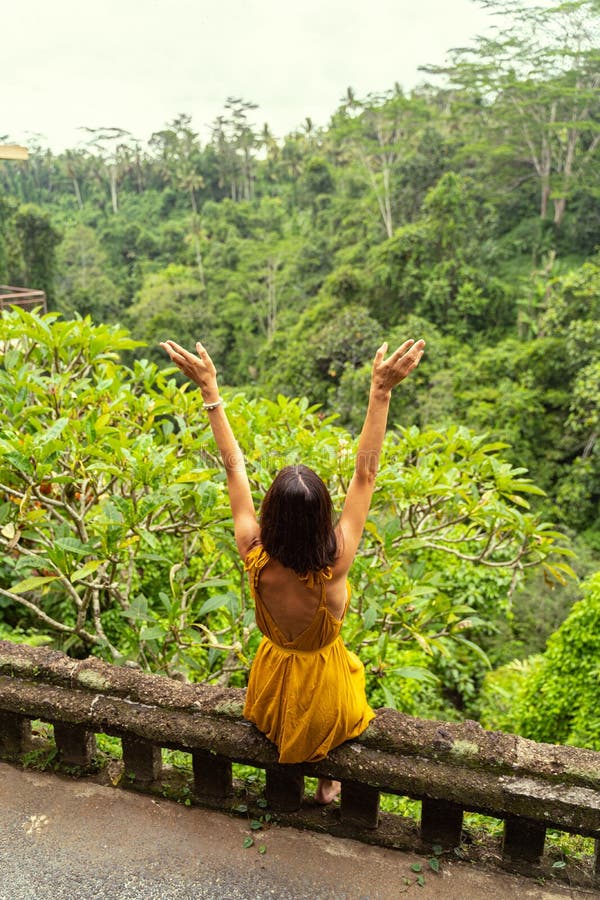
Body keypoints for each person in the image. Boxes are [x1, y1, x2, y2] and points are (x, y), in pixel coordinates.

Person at [160, 337, 425, 804]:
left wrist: (210, 390)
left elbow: (233, 468)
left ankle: (289, 781)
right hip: (324, 682)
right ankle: (327, 783)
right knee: (334, 716)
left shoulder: (253, 547)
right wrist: (380, 393)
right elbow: (365, 476)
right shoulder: (336, 559)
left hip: (275, 676)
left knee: (279, 724)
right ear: (325, 515)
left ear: (271, 514)